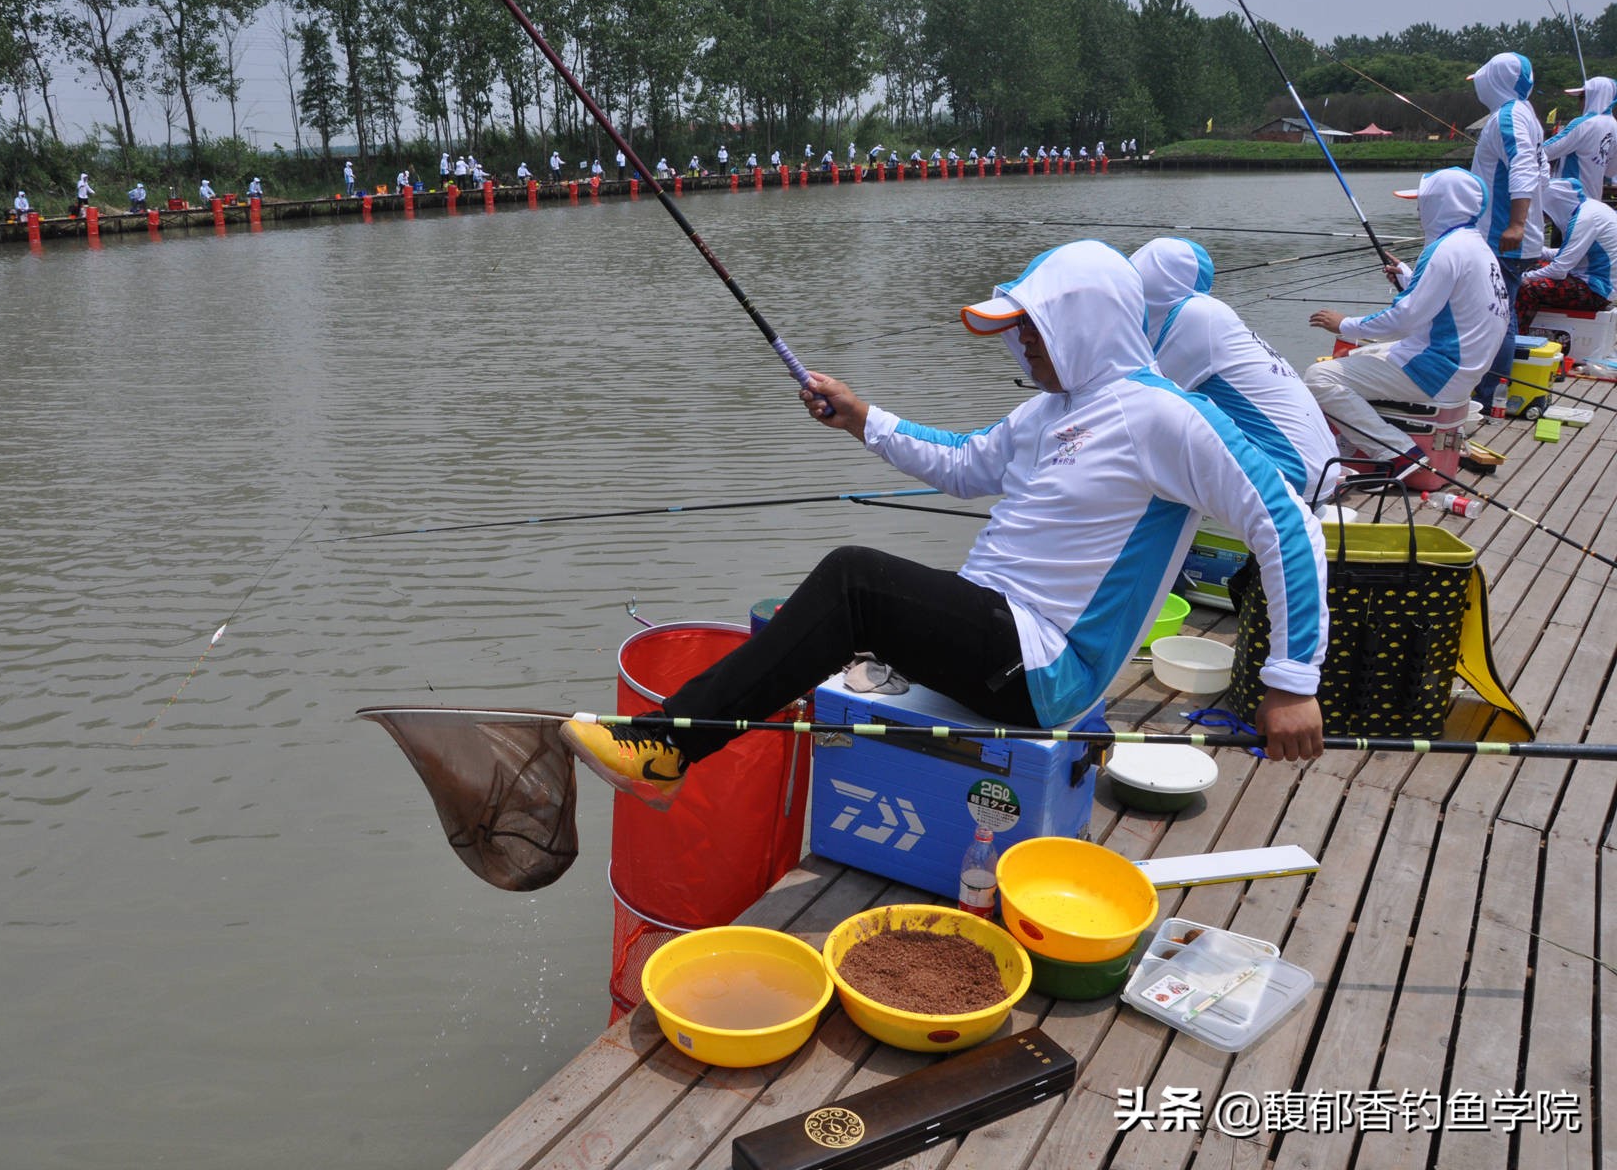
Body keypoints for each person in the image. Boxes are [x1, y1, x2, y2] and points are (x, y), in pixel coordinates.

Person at [559, 240, 1328, 801]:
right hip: (997, 638)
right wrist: (863, 420)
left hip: (1046, 670)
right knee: (853, 598)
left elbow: (1286, 525)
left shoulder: (1167, 417)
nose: (1022, 339)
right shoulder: (1050, 411)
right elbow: (964, 462)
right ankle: (692, 732)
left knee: (856, 580)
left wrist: (1290, 682)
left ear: (1086, 323)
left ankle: (667, 748)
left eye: (1033, 324)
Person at [1304, 167, 1507, 473]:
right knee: (1353, 356)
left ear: (1441, 203)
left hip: (1439, 371)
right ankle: (1358, 446)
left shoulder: (1444, 250)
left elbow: (1404, 319)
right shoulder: (1475, 246)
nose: (1417, 210)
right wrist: (1409, 278)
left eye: (1422, 202)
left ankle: (1398, 453)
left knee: (1319, 377)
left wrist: (1344, 323)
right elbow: (1445, 303)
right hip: (1463, 369)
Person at [1131, 237, 1343, 501]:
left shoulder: (1196, 317)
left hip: (1294, 477)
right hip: (1319, 469)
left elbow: (1137, 402)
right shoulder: (1205, 313)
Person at [1468, 52, 1547, 407]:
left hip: (1504, 237)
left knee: (1498, 317)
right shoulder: (1523, 113)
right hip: (1511, 236)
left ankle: (1489, 395)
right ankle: (1491, 389)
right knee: (1503, 311)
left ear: (1495, 80)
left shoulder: (1509, 117)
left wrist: (1516, 224)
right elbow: (1542, 171)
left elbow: (1525, 169)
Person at [1515, 176, 1617, 330]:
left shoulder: (1584, 218)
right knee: (1534, 267)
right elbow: (1570, 254)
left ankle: (1516, 337)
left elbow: (1559, 270)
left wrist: (1519, 278)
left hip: (1595, 290)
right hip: (1593, 282)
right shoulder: (1591, 209)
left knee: (1526, 287)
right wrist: (1536, 251)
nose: (1545, 216)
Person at [1543, 76, 1616, 195]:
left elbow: (1545, 151)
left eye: (1582, 97)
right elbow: (1610, 172)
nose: (1579, 103)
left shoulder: (1584, 124)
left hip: (1569, 198)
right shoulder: (1615, 127)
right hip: (1593, 199)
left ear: (1593, 97)